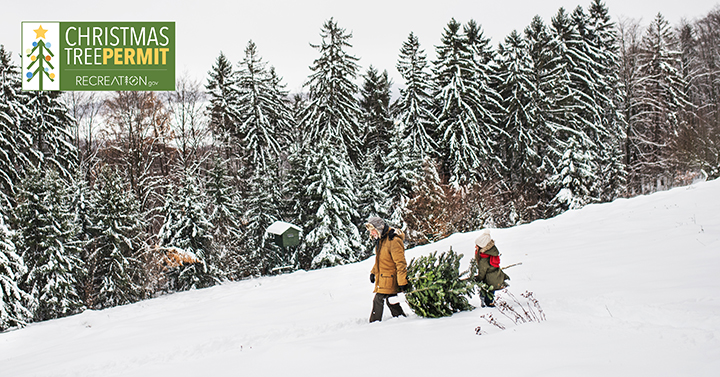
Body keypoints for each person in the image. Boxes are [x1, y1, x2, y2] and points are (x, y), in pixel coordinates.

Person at [366, 216, 408, 322]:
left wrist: (402, 282)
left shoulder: (393, 241)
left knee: (378, 299)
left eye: (373, 230)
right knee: (391, 301)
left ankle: (374, 323)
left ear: (379, 228)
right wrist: (373, 272)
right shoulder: (381, 240)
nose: (371, 234)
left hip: (391, 278)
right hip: (384, 277)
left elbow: (400, 263)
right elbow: (381, 260)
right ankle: (400, 318)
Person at [474, 230, 509, 307]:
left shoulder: (484, 259)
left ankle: (488, 303)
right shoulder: (490, 254)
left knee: (488, 290)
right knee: (491, 290)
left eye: (477, 245)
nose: (475, 247)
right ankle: (489, 302)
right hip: (496, 276)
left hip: (489, 279)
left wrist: (478, 278)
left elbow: (482, 272)